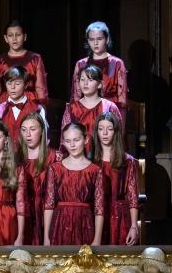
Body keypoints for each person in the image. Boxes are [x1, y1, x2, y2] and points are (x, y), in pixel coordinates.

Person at [43, 123, 105, 246]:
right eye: (68, 141)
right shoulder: (55, 168)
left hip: (84, 224)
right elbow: (49, 205)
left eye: (76, 140)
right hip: (60, 224)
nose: (72, 145)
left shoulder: (95, 170)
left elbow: (99, 208)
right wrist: (46, 237)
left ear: (86, 139)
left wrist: (97, 240)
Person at [91, 112, 139, 246]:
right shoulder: (90, 160)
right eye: (101, 129)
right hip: (95, 214)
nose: (105, 133)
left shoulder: (127, 161)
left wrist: (134, 226)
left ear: (116, 131)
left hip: (120, 215)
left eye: (109, 129)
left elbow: (133, 196)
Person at [61, 64, 123, 152]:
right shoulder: (72, 109)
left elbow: (118, 135)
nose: (85, 83)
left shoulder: (109, 107)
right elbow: (64, 137)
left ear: (99, 84)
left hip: (103, 155)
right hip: (79, 156)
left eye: (90, 80)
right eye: (82, 80)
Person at [69, 21, 128, 112]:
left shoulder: (117, 63)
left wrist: (121, 125)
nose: (95, 43)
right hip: (86, 111)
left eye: (99, 39)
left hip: (109, 112)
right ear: (88, 41)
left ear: (107, 39)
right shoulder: (81, 64)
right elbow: (76, 95)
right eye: (92, 39)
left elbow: (122, 99)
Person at [16, 112, 56, 246]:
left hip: (47, 212)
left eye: (32, 129)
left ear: (42, 131)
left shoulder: (55, 157)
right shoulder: (16, 158)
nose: (27, 134)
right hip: (24, 214)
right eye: (24, 130)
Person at [0, 21, 49, 106]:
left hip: (30, 102)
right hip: (6, 103)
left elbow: (40, 87)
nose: (14, 38)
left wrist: (43, 109)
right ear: (5, 38)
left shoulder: (35, 58)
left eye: (18, 35)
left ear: (24, 37)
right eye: (10, 35)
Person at [0, 66, 46, 149]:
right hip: (5, 158)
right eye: (9, 83)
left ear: (26, 85)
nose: (12, 87)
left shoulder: (37, 110)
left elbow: (44, 139)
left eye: (17, 83)